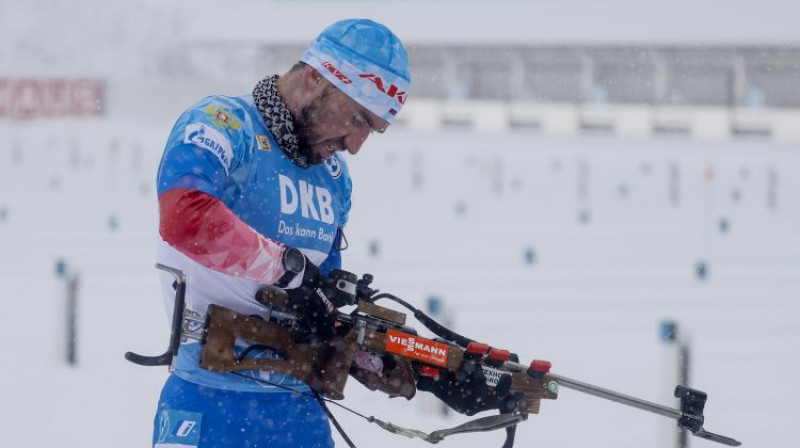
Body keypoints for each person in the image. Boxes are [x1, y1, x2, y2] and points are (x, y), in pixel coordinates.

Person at [151, 18, 516, 448]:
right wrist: (289, 270)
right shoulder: (224, 124)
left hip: (300, 418)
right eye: (358, 118)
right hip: (211, 408)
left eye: (373, 130)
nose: (356, 144)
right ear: (314, 77)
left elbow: (330, 317)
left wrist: (431, 368)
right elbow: (184, 216)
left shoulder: (334, 177)